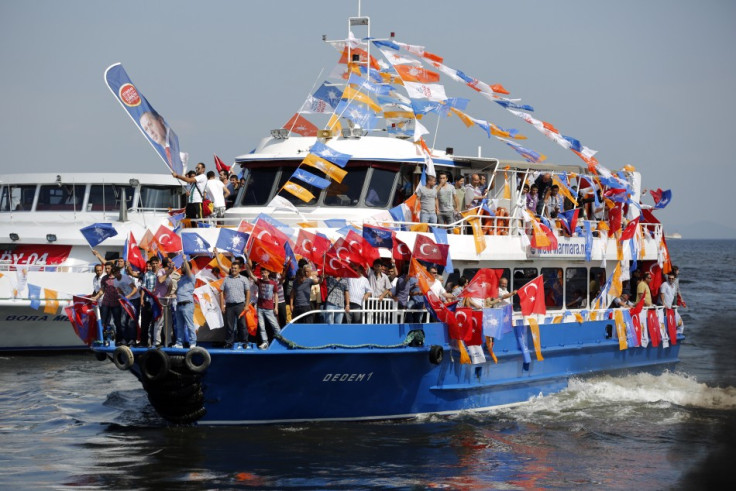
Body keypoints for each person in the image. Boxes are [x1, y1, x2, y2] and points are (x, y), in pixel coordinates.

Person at [220, 261, 251, 349]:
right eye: (232, 268)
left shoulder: (244, 279)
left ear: (239, 270)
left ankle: (245, 342)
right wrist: (222, 305)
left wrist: (247, 305)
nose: (233, 270)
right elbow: (221, 291)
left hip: (240, 305)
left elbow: (248, 291)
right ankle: (229, 342)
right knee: (230, 326)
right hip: (229, 306)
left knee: (242, 324)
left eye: (235, 268)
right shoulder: (226, 279)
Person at [92, 263, 123, 346]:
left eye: (108, 268)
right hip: (106, 303)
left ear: (112, 268)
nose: (106, 270)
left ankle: (119, 340)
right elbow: (102, 290)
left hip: (116, 303)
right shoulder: (104, 278)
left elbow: (122, 289)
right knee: (103, 322)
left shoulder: (117, 278)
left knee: (117, 322)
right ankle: (104, 339)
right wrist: (95, 297)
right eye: (106, 268)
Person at [113, 263, 140, 344]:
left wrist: (128, 296)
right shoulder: (115, 281)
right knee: (123, 321)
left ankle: (132, 339)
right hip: (126, 301)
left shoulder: (126, 278)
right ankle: (125, 339)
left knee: (132, 321)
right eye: (114, 273)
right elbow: (120, 290)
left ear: (119, 272)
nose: (116, 274)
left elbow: (135, 289)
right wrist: (122, 296)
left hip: (134, 300)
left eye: (117, 272)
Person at [255, 267, 281, 349]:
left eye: (265, 272)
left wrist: (276, 307)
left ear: (268, 273)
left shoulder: (273, 283)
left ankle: (281, 340)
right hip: (260, 307)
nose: (263, 274)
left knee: (275, 326)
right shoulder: (259, 282)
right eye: (262, 273)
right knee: (262, 326)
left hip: (269, 308)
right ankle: (265, 342)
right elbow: (251, 275)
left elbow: (276, 295)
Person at [173, 257, 196, 349]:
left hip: (187, 304)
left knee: (190, 325)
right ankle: (179, 343)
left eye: (183, 266)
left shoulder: (191, 277)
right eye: (182, 266)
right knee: (179, 325)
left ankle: (193, 343)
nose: (181, 268)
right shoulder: (181, 279)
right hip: (179, 304)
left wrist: (185, 260)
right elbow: (178, 291)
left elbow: (188, 270)